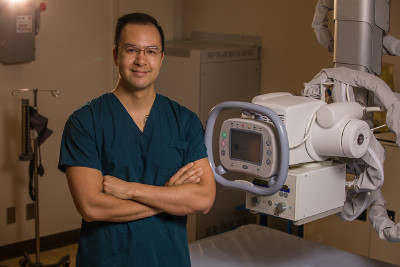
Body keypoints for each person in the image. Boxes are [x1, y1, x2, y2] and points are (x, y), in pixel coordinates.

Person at [58, 12, 216, 267]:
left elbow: (204, 199)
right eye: (132, 50)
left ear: (161, 59)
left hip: (168, 259)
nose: (141, 60)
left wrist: (130, 190)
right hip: (107, 260)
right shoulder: (85, 122)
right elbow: (92, 207)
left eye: (151, 51)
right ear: (115, 55)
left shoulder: (184, 121)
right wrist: (170, 198)